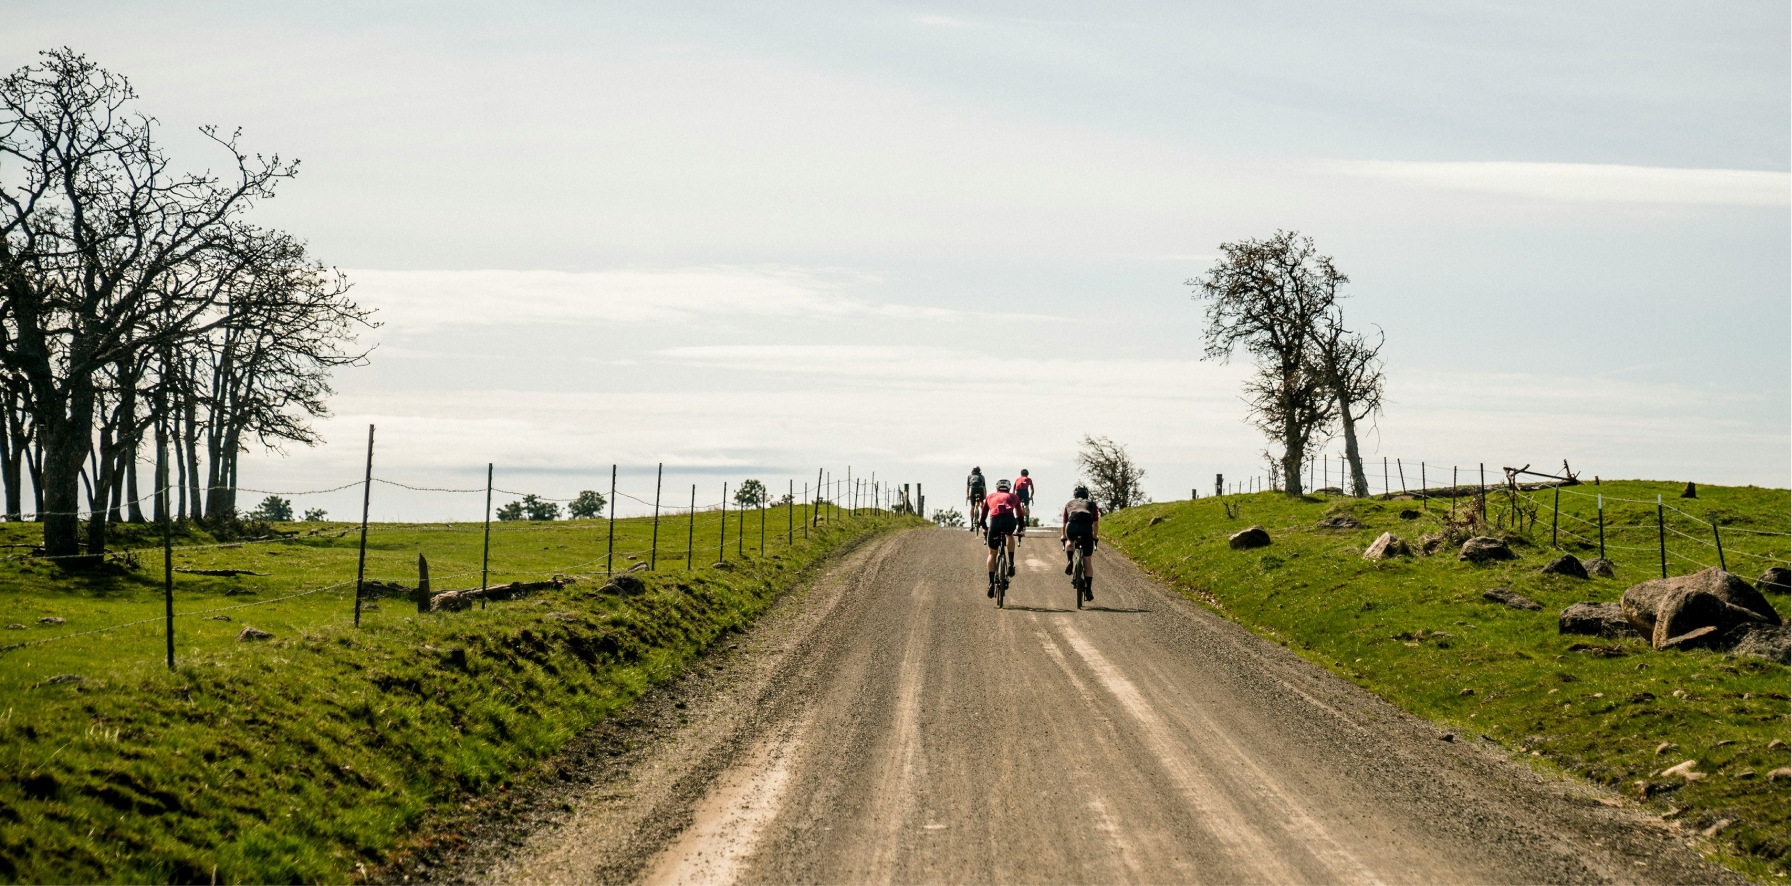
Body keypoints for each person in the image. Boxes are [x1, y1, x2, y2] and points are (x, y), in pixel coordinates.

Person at [981, 479, 1021, 597]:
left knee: (992, 552)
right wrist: (1020, 530)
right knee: (1010, 535)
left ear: (997, 488)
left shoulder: (990, 497)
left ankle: (991, 582)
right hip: (1009, 521)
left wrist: (986, 529)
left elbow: (982, 519)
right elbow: (1020, 516)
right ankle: (1011, 563)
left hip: (995, 522)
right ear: (1009, 488)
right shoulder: (1014, 497)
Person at [1061, 484, 1101, 602]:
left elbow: (1064, 522)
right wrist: (1095, 536)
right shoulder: (1092, 504)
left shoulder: (1069, 503)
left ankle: (1069, 561)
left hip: (1072, 525)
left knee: (1070, 541)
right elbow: (1095, 523)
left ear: (1075, 495)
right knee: (1087, 559)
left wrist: (1063, 535)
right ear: (1087, 494)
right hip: (1086, 528)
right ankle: (1088, 590)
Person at [965, 466, 987, 532]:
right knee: (982, 505)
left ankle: (972, 524)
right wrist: (985, 496)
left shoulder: (969, 476)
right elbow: (984, 488)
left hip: (973, 490)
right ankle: (983, 521)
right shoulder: (982, 477)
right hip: (980, 489)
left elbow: (968, 488)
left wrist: (968, 496)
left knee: (972, 507)